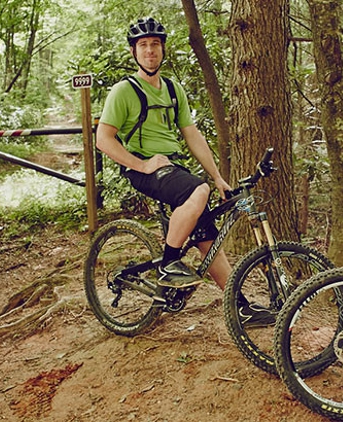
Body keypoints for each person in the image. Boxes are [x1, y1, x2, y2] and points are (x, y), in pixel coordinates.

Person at [96, 17, 275, 326]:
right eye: (143, 46)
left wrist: (217, 175)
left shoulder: (173, 89)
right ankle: (168, 264)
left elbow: (191, 134)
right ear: (134, 52)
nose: (150, 51)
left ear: (163, 50)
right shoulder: (123, 91)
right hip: (144, 169)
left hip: (172, 168)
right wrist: (142, 164)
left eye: (155, 45)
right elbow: (103, 139)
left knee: (208, 236)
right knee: (198, 190)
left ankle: (239, 307)